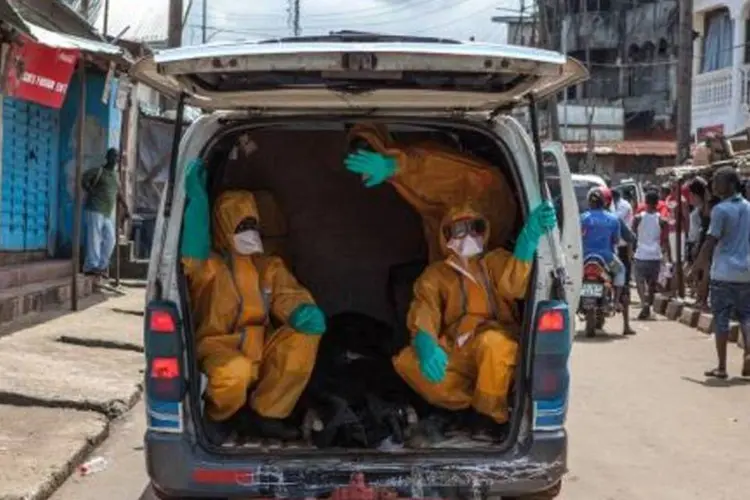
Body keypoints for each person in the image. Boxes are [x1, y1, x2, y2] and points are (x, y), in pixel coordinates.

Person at [181, 159, 327, 440]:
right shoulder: (211, 267)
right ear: (224, 227)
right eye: (241, 225)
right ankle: (222, 418)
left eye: (252, 224)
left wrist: (301, 311)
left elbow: (287, 293)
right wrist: (197, 202)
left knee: (302, 339)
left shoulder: (267, 266)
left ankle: (267, 414)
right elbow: (191, 258)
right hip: (218, 349)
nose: (250, 231)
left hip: (261, 349)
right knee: (234, 372)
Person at [392, 201, 556, 444]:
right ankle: (466, 408)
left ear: (485, 231)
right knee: (408, 362)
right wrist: (426, 343)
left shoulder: (494, 261)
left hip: (494, 339)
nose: (467, 236)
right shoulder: (436, 275)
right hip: (457, 348)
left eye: (474, 227)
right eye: (458, 230)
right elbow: (424, 311)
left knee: (494, 346)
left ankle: (489, 418)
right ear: (445, 236)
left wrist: (528, 238)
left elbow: (514, 283)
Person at [344, 122, 518, 262]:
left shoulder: (420, 162)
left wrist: (396, 166)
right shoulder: (438, 277)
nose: (465, 236)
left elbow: (432, 168)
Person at [690, 167, 750, 380]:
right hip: (746, 272)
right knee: (746, 316)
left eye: (717, 181)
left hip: (724, 272)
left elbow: (710, 241)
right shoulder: (748, 208)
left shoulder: (720, 210)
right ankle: (749, 353)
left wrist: (696, 266)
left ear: (731, 184)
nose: (713, 185)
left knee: (722, 319)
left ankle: (722, 367)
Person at [580, 187, 628, 319]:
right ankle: (616, 301)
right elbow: (616, 240)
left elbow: (578, 237)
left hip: (584, 257)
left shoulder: (582, 218)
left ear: (589, 203)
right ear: (604, 203)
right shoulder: (613, 219)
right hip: (607, 258)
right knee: (620, 271)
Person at [81, 148, 130, 276]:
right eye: (113, 156)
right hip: (94, 208)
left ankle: (102, 266)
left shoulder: (115, 175)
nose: (116, 159)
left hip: (107, 212)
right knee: (94, 238)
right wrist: (90, 190)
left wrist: (126, 207)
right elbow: (84, 179)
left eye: (117, 157)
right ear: (107, 157)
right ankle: (91, 266)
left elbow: (118, 193)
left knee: (111, 239)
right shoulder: (99, 171)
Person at [632, 190, 671, 320]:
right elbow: (665, 237)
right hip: (655, 255)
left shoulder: (638, 218)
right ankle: (647, 304)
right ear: (657, 203)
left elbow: (632, 235)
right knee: (652, 284)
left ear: (646, 202)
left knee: (640, 282)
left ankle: (644, 303)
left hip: (641, 254)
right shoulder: (661, 219)